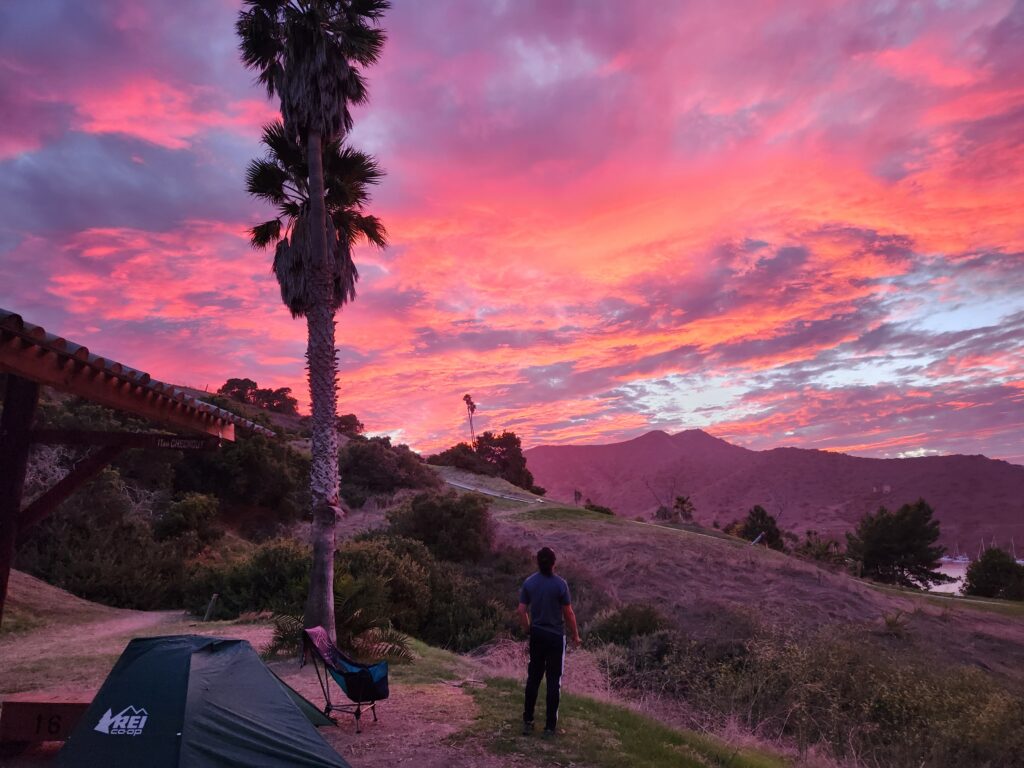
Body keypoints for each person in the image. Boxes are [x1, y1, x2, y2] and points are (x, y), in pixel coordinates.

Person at [517, 546, 581, 737]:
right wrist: (575, 635)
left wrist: (527, 628)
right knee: (554, 681)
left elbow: (521, 610)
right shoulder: (560, 585)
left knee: (534, 679)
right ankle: (549, 727)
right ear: (554, 563)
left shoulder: (529, 583)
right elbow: (568, 613)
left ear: (538, 562)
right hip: (555, 638)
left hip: (537, 635)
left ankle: (528, 721)